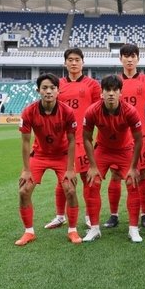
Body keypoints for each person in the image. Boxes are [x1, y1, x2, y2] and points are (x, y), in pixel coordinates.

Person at [15, 73, 81, 246]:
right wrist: (26, 170)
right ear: (38, 90)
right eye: (44, 88)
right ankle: (29, 232)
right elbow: (25, 142)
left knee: (71, 190)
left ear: (58, 91)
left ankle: (73, 230)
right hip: (40, 155)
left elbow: (73, 140)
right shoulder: (29, 111)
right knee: (23, 191)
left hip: (62, 155)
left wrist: (70, 169)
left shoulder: (67, 112)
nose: (48, 91)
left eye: (52, 88)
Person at [44, 48, 103, 241]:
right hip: (63, 141)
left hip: (83, 140)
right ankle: (60, 215)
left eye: (77, 60)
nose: (74, 63)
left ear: (83, 63)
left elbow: (98, 111)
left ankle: (88, 216)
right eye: (70, 60)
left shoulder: (92, 85)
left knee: (88, 179)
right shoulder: (57, 85)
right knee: (63, 180)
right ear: (65, 63)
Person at [82, 75, 144, 242]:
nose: (111, 94)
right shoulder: (92, 111)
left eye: (114, 90)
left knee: (132, 182)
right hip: (103, 149)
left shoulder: (130, 111)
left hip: (125, 150)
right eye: (107, 90)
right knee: (93, 181)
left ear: (120, 93)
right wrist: (93, 166)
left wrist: (133, 167)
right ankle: (94, 228)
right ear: (101, 93)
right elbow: (86, 138)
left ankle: (133, 229)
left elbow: (139, 139)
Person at [103, 44, 145, 230]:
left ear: (138, 59)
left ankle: (144, 214)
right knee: (115, 174)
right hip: (117, 136)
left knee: (142, 174)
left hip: (139, 135)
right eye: (125, 56)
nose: (129, 59)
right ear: (120, 59)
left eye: (132, 56)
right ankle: (114, 214)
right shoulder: (113, 82)